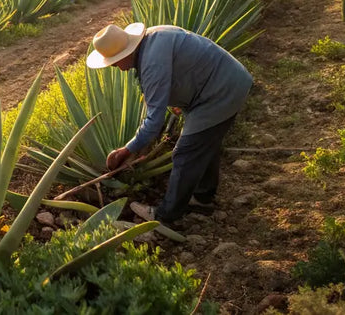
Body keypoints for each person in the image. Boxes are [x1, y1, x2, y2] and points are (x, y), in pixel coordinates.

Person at [88, 22, 253, 224]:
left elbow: (154, 121)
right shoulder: (154, 37)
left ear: (125, 54)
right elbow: (187, 68)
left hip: (220, 93)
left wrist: (127, 150)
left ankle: (166, 215)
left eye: (113, 62)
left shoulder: (151, 63)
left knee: (186, 153)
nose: (113, 66)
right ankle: (203, 198)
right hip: (228, 80)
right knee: (204, 144)